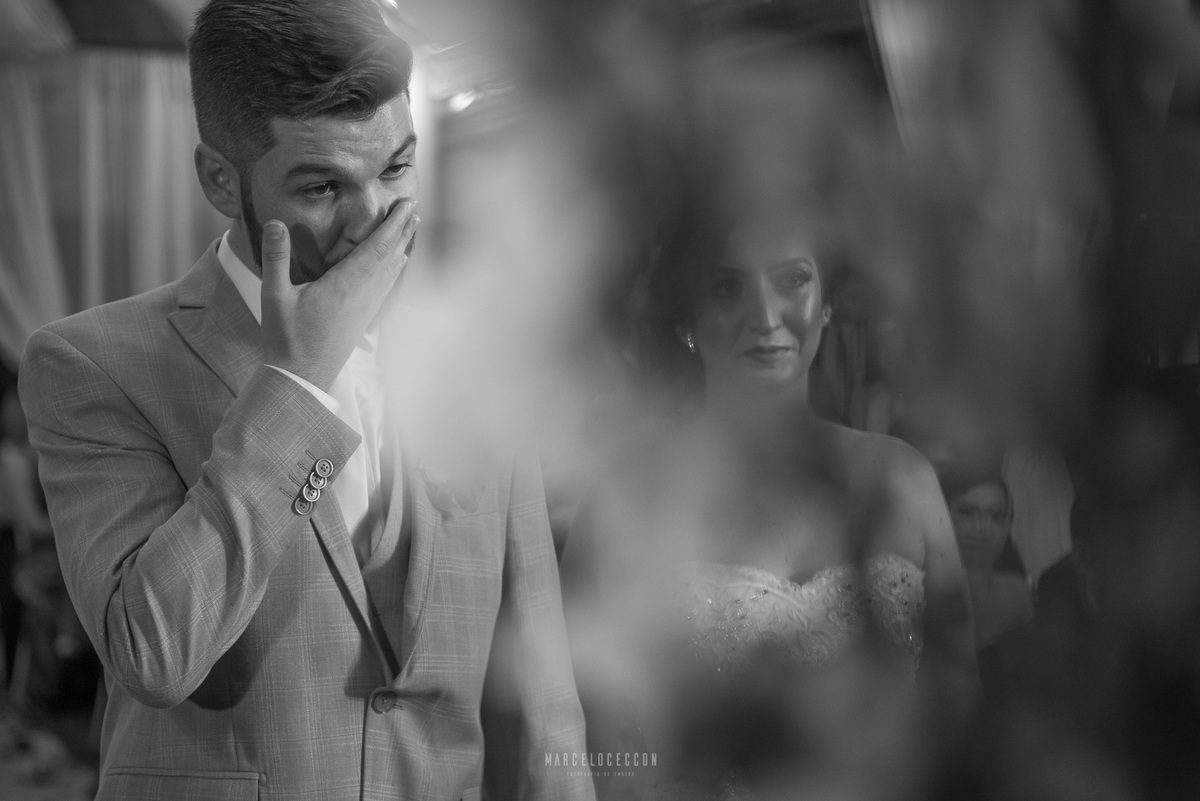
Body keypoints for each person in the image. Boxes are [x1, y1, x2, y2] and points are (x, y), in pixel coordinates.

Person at [17, 1, 592, 799]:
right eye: (322, 186)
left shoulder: (483, 351)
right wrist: (295, 383)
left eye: (396, 168)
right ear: (222, 180)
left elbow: (542, 695)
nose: (374, 219)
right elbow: (153, 654)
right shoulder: (93, 364)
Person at [562, 196, 979, 798]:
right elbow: (579, 732)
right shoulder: (630, 493)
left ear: (827, 300)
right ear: (684, 312)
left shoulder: (901, 481)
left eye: (792, 280)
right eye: (726, 288)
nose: (764, 315)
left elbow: (960, 714)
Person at [941, 468, 1035, 652]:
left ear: (1007, 524)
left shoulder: (1018, 593)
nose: (982, 527)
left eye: (995, 515)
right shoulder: (918, 595)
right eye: (966, 513)